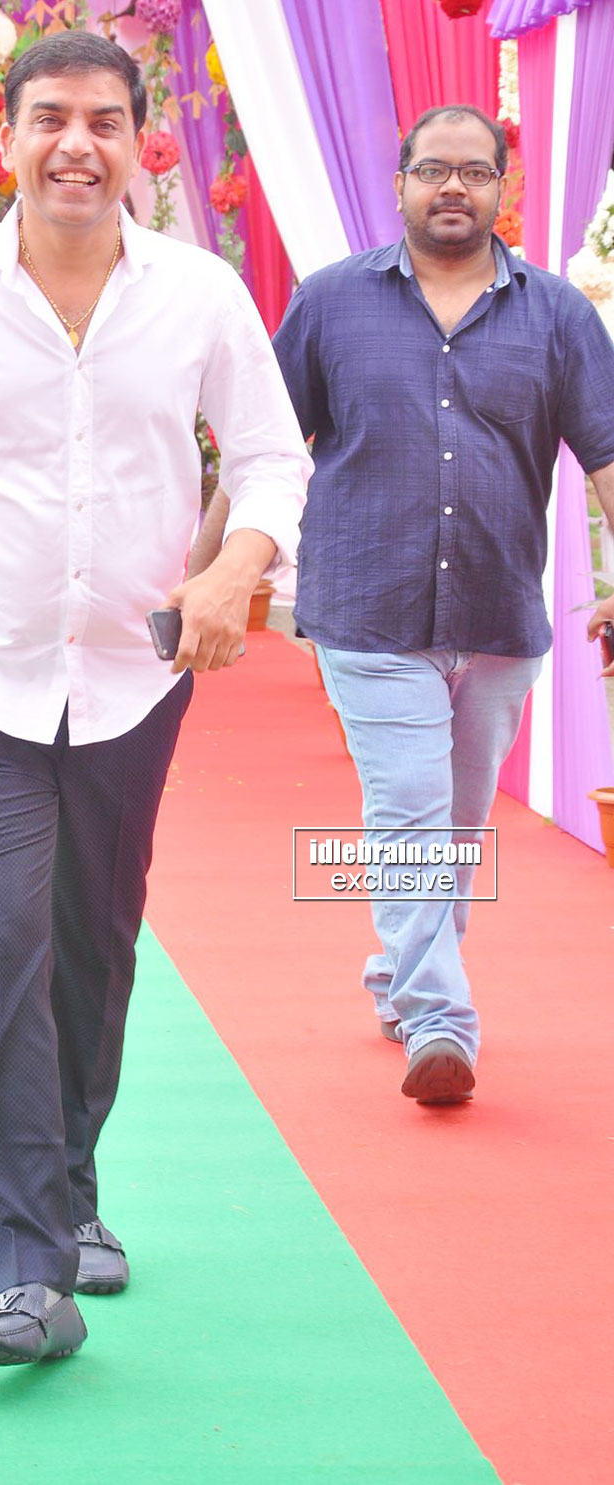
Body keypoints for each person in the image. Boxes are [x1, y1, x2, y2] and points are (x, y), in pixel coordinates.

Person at [0, 31, 310, 1367]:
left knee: (93, 947)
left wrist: (236, 565)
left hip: (128, 684)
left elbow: (272, 460)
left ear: (139, 141)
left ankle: (71, 1192)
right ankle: (26, 1272)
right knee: (1, 940)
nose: (76, 145)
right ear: (7, 137)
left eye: (104, 120)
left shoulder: (199, 295)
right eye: (49, 118)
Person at [200, 103, 614, 1107]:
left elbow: (606, 455)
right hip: (368, 608)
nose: (453, 186)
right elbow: (263, 450)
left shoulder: (560, 315)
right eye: (434, 170)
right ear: (400, 186)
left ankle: (398, 976)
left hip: (498, 613)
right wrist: (203, 567)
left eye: (475, 170)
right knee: (410, 814)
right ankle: (440, 1020)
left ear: (503, 186)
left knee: (455, 828)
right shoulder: (331, 302)